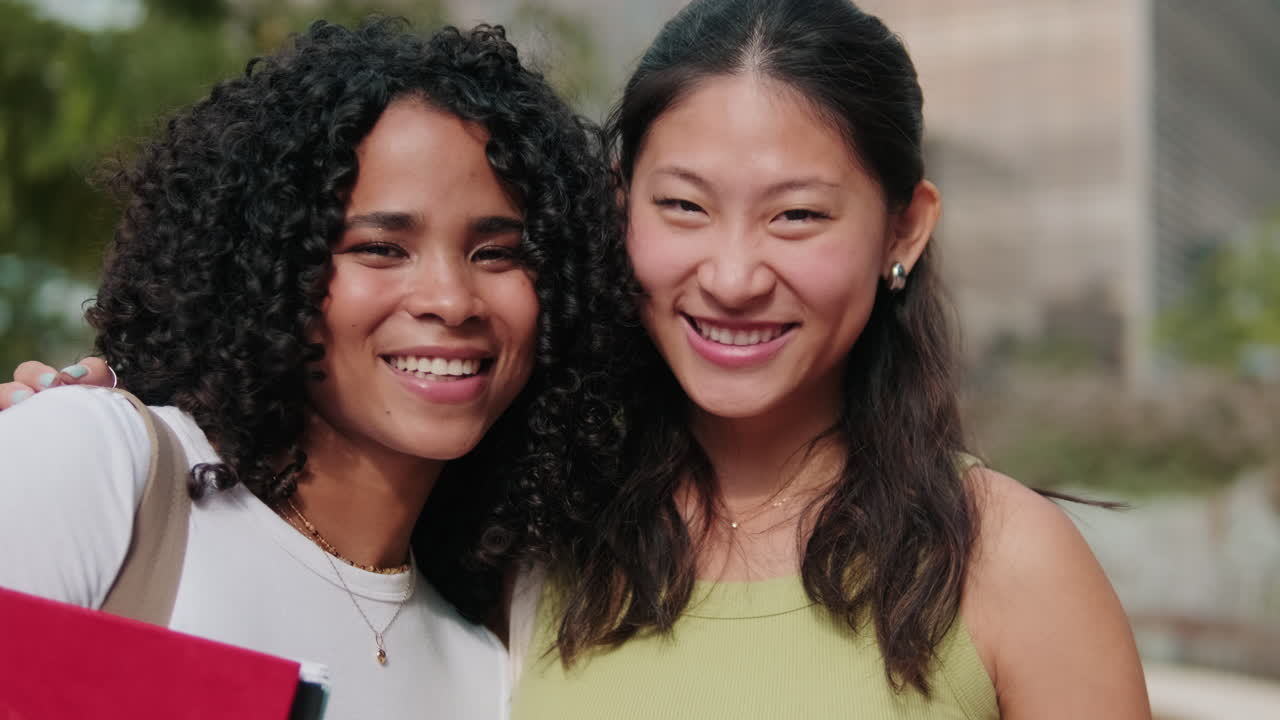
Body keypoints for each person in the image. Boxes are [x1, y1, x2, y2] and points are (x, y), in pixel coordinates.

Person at [503, 1, 1152, 718]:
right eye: (685, 205)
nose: (733, 278)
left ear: (902, 233)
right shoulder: (541, 527)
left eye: (797, 215)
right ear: (623, 207)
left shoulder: (1009, 559)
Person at [0, 17, 619, 720]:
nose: (451, 299)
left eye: (498, 252)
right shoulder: (102, 469)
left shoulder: (483, 672)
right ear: (267, 265)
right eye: (381, 248)